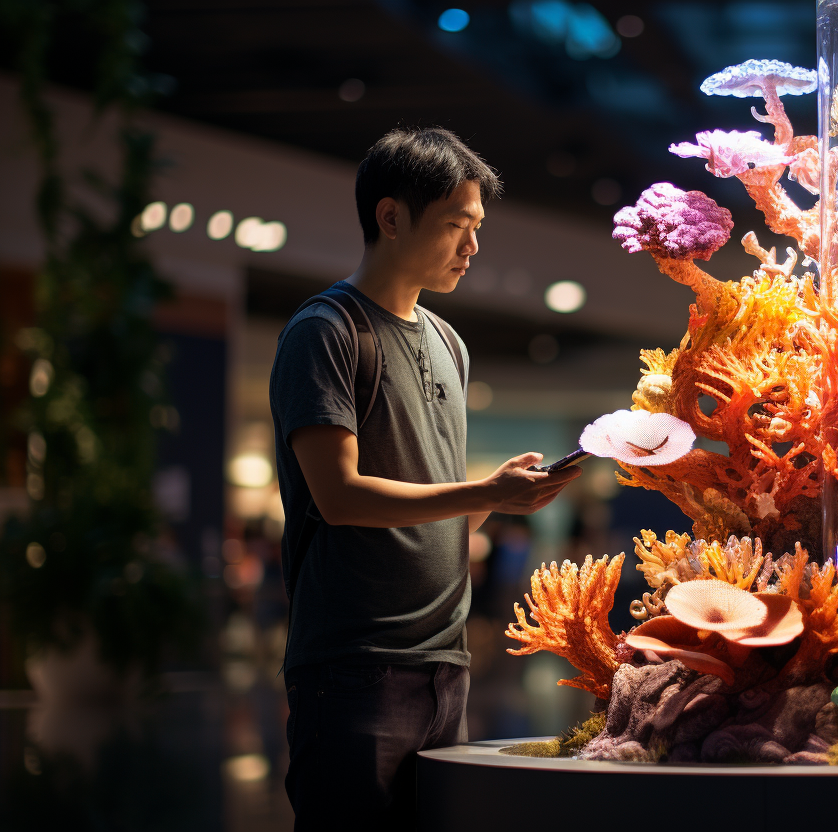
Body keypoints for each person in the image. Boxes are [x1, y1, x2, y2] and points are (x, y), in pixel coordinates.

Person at [268, 127, 580, 830]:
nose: (471, 247)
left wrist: (494, 497)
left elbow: (432, 511)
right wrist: (485, 494)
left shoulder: (449, 342)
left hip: (445, 660)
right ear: (390, 217)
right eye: (455, 226)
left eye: (476, 228)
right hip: (354, 664)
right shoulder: (327, 330)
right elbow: (339, 498)